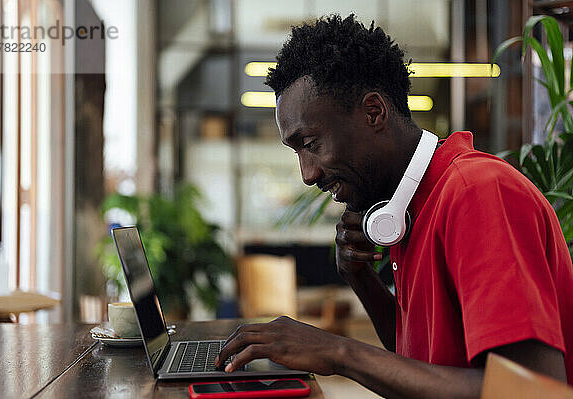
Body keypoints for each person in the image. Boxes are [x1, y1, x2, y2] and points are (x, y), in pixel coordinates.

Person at [215, 15, 573, 397]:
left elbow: (533, 391)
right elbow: (418, 361)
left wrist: (337, 351)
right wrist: (361, 278)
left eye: (311, 143)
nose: (307, 173)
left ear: (374, 112)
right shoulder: (407, 206)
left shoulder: (478, 192)